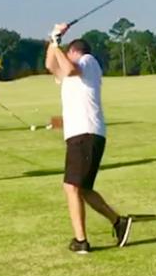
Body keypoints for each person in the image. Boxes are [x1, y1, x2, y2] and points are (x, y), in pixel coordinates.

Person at [45, 23, 132, 254]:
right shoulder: (69, 70)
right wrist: (53, 40)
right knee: (82, 188)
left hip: (86, 132)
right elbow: (50, 65)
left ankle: (81, 241)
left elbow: (69, 68)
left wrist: (56, 44)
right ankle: (118, 221)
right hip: (81, 134)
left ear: (75, 51)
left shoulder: (88, 62)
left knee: (71, 187)